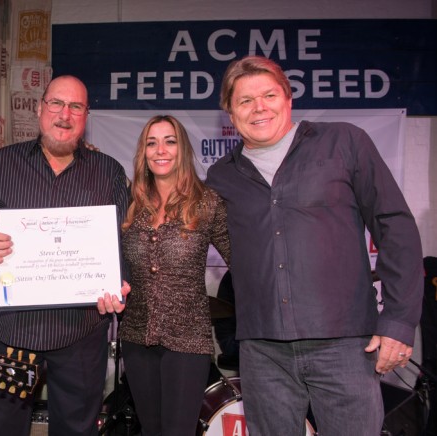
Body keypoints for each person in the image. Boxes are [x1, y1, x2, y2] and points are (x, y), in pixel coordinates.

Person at [205, 55, 423, 435]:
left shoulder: (344, 142)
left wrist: (400, 321)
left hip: (345, 346)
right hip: (262, 350)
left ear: (288, 98)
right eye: (244, 100)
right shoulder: (221, 176)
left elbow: (395, 227)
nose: (259, 107)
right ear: (229, 111)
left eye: (269, 95)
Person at [0, 75, 131, 436]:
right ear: (40, 108)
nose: (64, 114)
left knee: (76, 431)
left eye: (76, 106)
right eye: (56, 103)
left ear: (87, 115)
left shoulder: (110, 173)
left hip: (81, 333)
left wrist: (119, 283)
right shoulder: (3, 163)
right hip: (12, 333)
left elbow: (122, 244)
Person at [118, 115, 230, 435]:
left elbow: (243, 261)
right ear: (143, 152)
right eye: (151, 143)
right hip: (137, 338)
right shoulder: (130, 203)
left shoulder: (207, 203)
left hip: (187, 341)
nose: (160, 150)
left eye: (170, 141)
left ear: (182, 149)